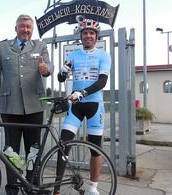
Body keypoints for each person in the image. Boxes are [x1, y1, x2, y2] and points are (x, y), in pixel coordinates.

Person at [0, 14, 54, 195]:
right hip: (10, 107)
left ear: (32, 30)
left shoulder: (40, 46)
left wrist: (46, 69)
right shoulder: (3, 47)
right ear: (16, 28)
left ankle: (32, 186)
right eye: (22, 26)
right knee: (11, 151)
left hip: (34, 107)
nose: (25, 29)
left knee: (33, 150)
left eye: (29, 27)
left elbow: (49, 65)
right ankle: (13, 188)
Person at [55, 18, 111, 195]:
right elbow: (60, 79)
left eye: (91, 33)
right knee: (63, 145)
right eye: (85, 33)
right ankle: (56, 189)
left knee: (95, 148)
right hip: (76, 107)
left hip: (94, 105)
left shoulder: (103, 55)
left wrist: (83, 92)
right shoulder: (72, 56)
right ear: (81, 36)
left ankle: (93, 187)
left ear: (96, 36)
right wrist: (62, 72)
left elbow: (102, 81)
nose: (88, 35)